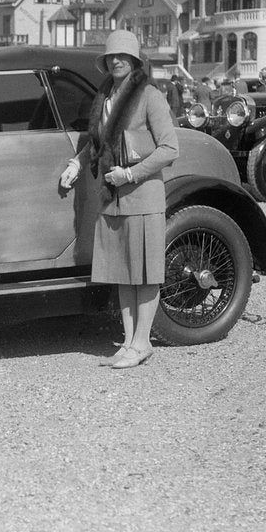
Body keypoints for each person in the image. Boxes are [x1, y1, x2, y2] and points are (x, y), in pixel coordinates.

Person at [59, 30, 179, 369]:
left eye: (123, 57)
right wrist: (77, 163)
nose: (116, 61)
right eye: (112, 57)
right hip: (112, 199)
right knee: (123, 273)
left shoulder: (149, 96)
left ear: (135, 61)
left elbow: (170, 148)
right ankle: (128, 342)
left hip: (143, 198)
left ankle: (142, 343)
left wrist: (131, 174)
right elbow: (98, 142)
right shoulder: (106, 95)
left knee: (145, 273)